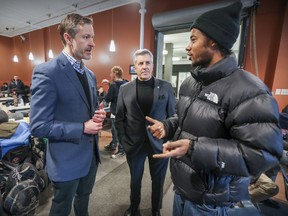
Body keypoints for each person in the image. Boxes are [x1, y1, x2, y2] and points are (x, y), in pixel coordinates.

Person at [146, 2, 283, 216]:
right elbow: (186, 122)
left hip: (210, 203)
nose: (187, 47)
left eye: (193, 39)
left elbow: (262, 153)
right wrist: (167, 126)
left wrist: (194, 148)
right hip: (182, 190)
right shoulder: (190, 83)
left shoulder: (249, 91)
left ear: (213, 41)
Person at [29, 13, 106, 216]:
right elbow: (38, 126)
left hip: (90, 157)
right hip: (65, 162)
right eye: (86, 37)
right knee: (61, 209)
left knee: (83, 203)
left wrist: (97, 117)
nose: (93, 43)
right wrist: (82, 127)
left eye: (92, 37)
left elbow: (86, 110)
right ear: (68, 38)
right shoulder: (47, 72)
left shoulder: (90, 74)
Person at [115, 48, 176, 216]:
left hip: (159, 143)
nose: (144, 66)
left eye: (147, 62)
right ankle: (134, 209)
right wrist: (123, 142)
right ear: (135, 66)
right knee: (135, 181)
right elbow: (119, 119)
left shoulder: (165, 87)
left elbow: (173, 117)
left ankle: (156, 210)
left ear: (153, 64)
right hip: (134, 145)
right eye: (140, 63)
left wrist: (167, 140)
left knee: (158, 181)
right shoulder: (124, 89)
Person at [102, 66, 128, 159]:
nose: (110, 74)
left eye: (111, 72)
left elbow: (108, 98)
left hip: (116, 113)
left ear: (115, 73)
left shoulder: (113, 86)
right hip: (124, 113)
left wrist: (108, 87)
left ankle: (122, 150)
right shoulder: (126, 83)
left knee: (117, 131)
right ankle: (113, 144)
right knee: (115, 130)